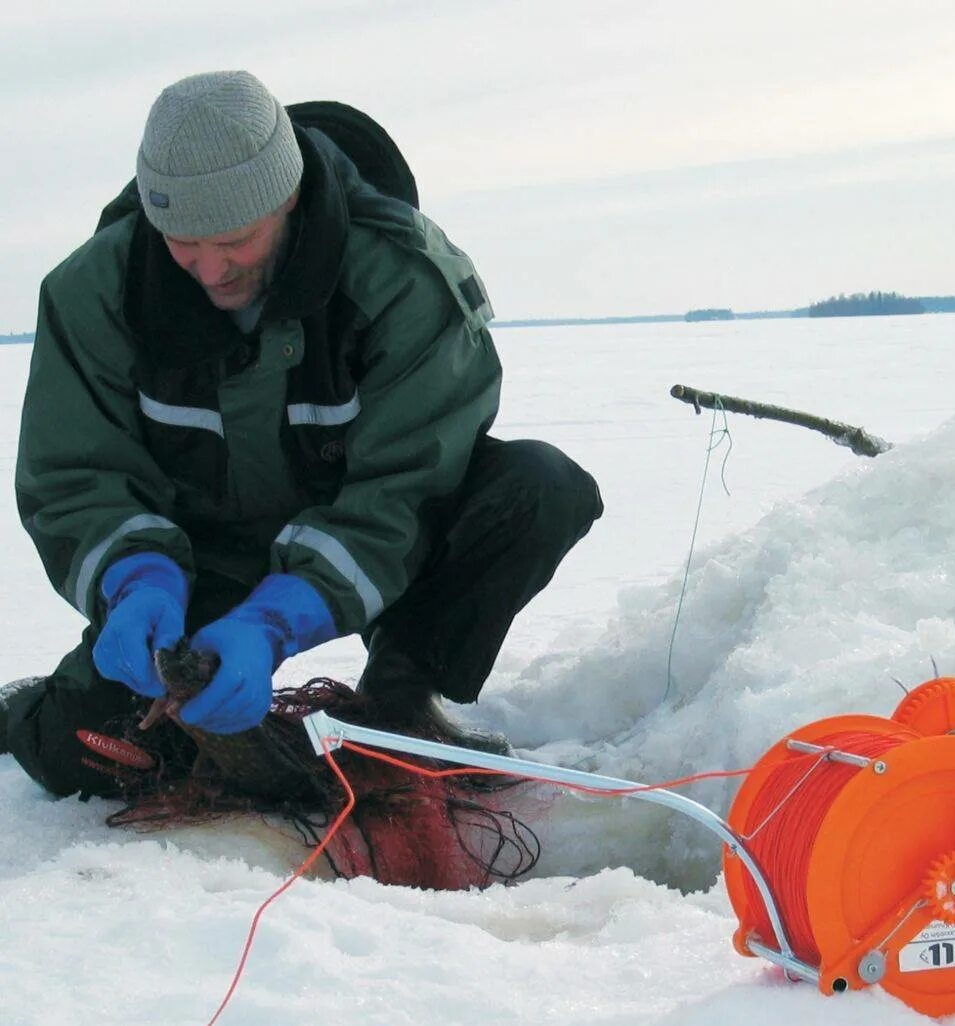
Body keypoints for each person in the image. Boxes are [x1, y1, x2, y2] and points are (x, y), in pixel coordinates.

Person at [2, 70, 602, 799]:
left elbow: (405, 490)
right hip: (200, 555)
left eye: (234, 239)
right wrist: (136, 579)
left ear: (285, 200)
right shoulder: (93, 290)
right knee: (85, 757)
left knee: (538, 488)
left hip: (374, 543)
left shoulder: (405, 281)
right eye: (182, 241)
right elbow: (74, 474)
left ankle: (400, 707)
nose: (208, 269)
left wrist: (276, 622)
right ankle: (28, 710)